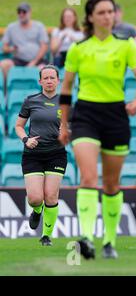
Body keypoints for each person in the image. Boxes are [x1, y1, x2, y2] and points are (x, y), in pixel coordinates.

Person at [58, 0, 136, 259]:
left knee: (111, 184)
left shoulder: (127, 44)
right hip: (85, 114)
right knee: (88, 177)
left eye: (110, 11)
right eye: (101, 12)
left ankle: (109, 242)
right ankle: (86, 237)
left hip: (116, 116)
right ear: (90, 17)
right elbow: (65, 89)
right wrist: (64, 125)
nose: (107, 16)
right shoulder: (78, 48)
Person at [15, 65, 67, 246]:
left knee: (51, 196)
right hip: (33, 155)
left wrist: (66, 130)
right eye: (46, 78)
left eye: (52, 77)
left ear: (58, 80)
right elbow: (18, 126)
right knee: (35, 198)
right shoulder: (30, 101)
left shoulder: (66, 102)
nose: (49, 81)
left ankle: (46, 236)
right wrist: (26, 140)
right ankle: (37, 211)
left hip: (56, 154)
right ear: (40, 81)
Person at [0, 2, 49, 82]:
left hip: (38, 60)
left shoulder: (39, 26)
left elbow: (44, 46)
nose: (21, 14)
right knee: (3, 64)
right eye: (19, 12)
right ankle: (5, 91)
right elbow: (4, 47)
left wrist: (34, 62)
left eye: (24, 12)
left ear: (30, 12)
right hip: (19, 59)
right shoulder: (11, 27)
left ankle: (42, 93)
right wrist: (11, 49)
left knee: (44, 70)